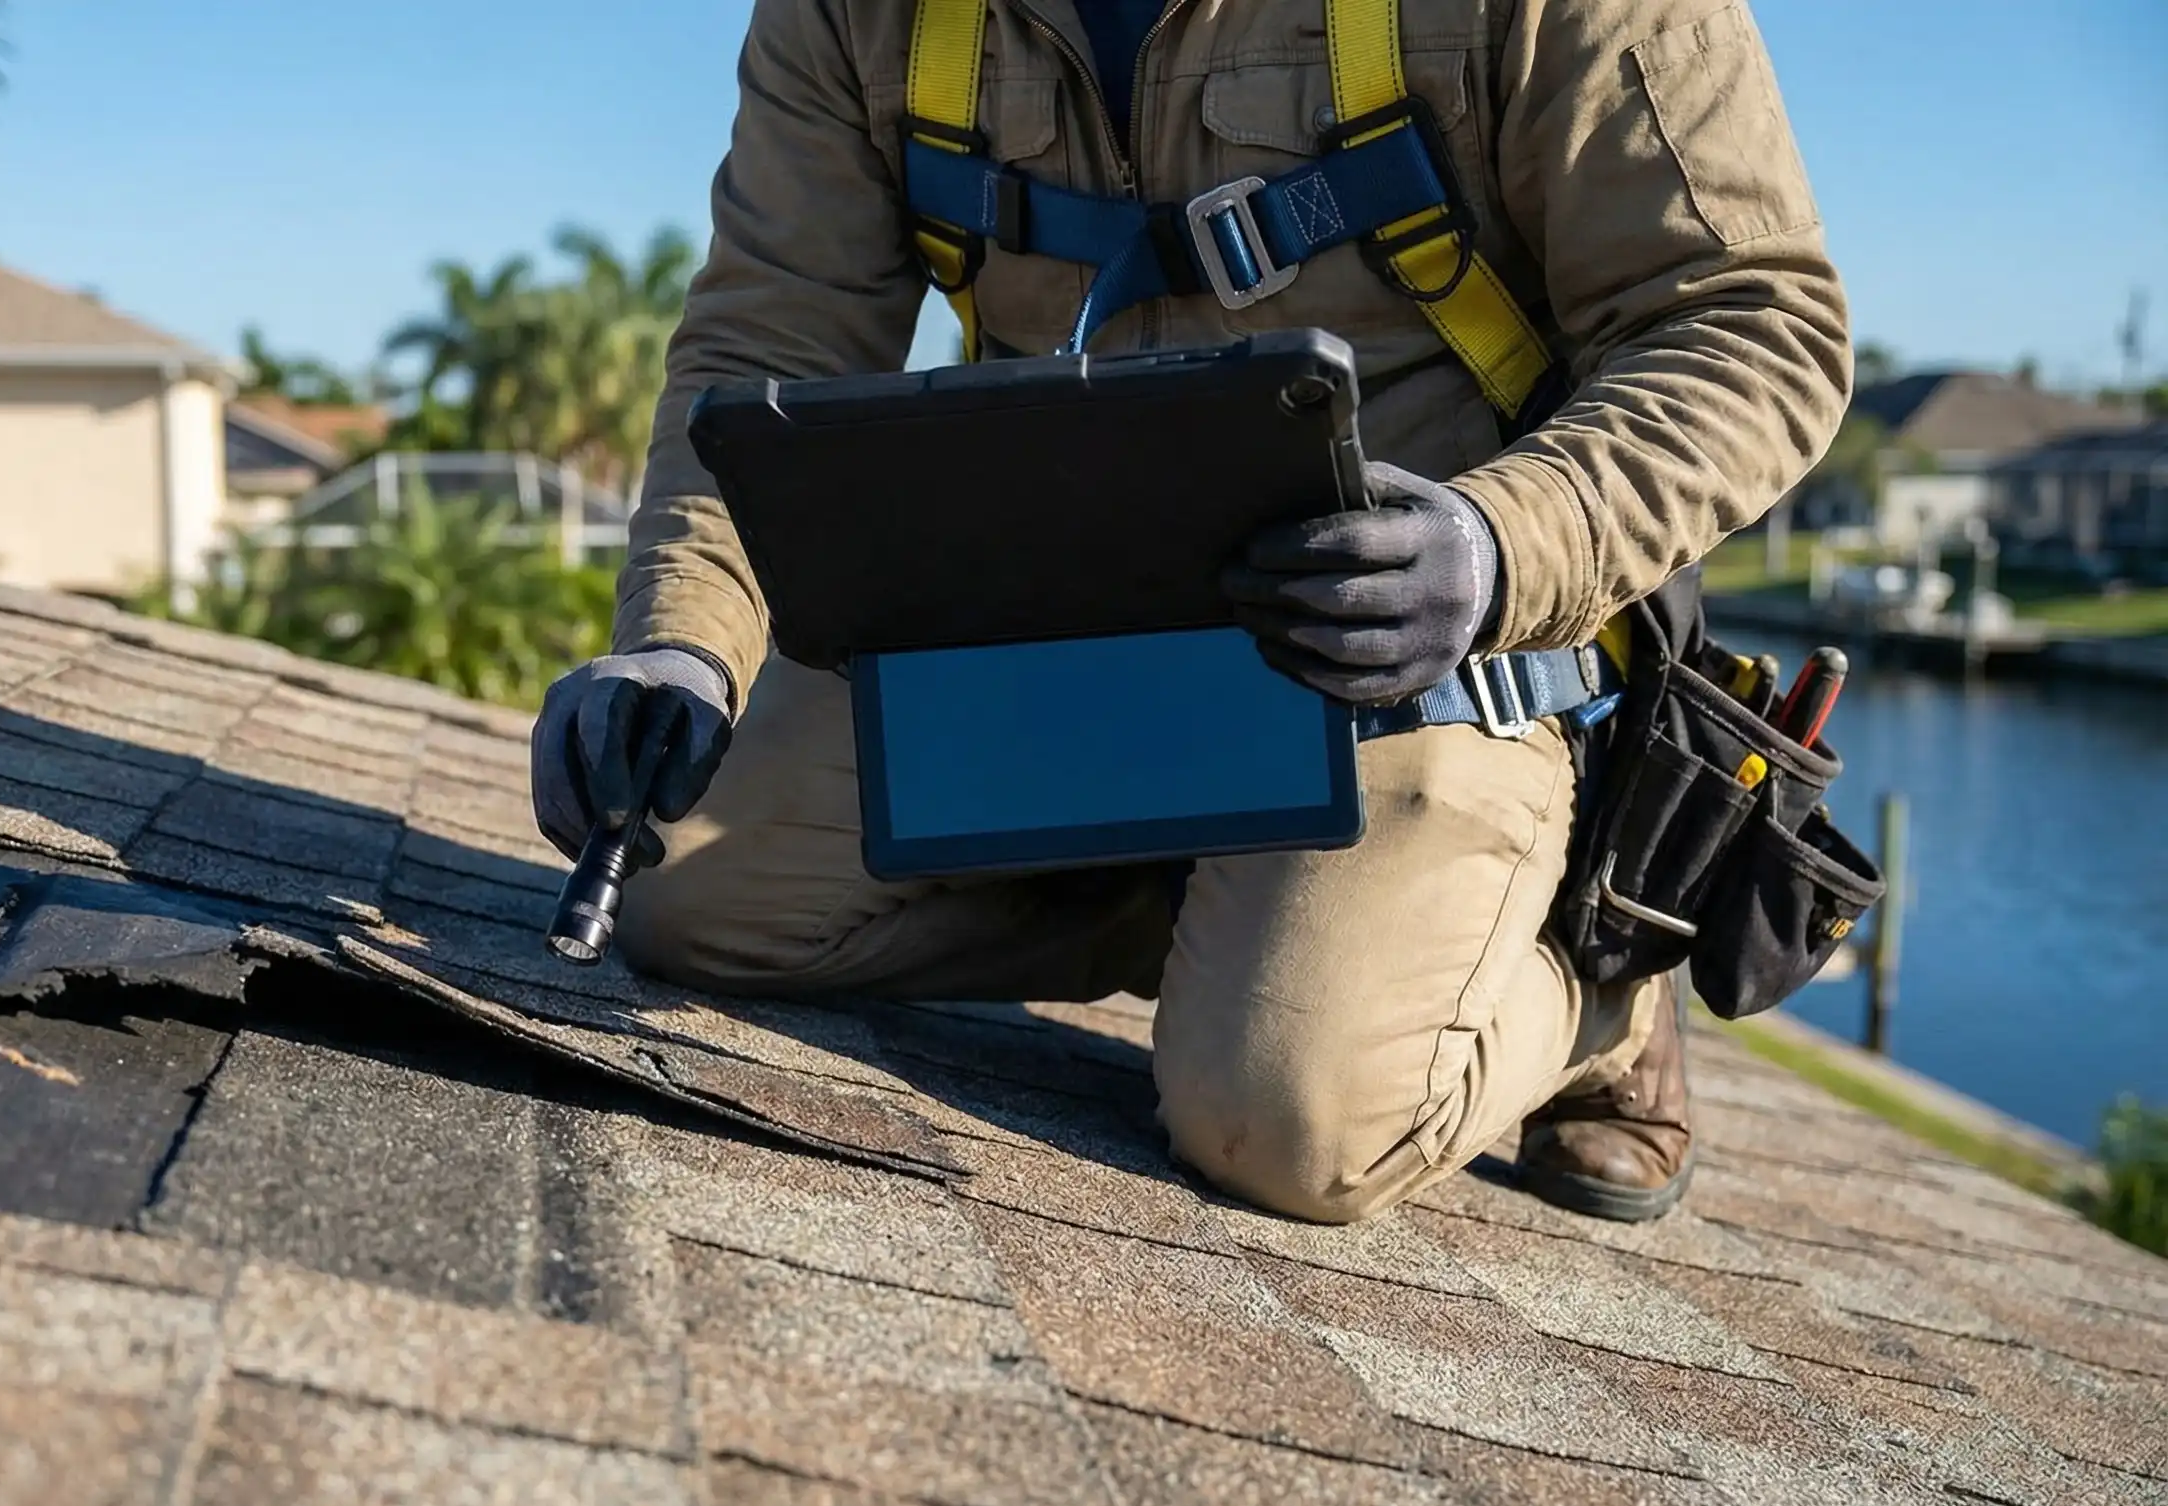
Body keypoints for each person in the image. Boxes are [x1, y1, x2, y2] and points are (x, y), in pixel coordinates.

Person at [532, 0, 1848, 1224]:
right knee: (683, 889)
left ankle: (1600, 999)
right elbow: (767, 352)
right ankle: (1242, 921)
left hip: (1417, 665)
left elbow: (1754, 329)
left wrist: (1500, 546)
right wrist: (682, 645)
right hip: (1056, 640)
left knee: (1290, 1125)